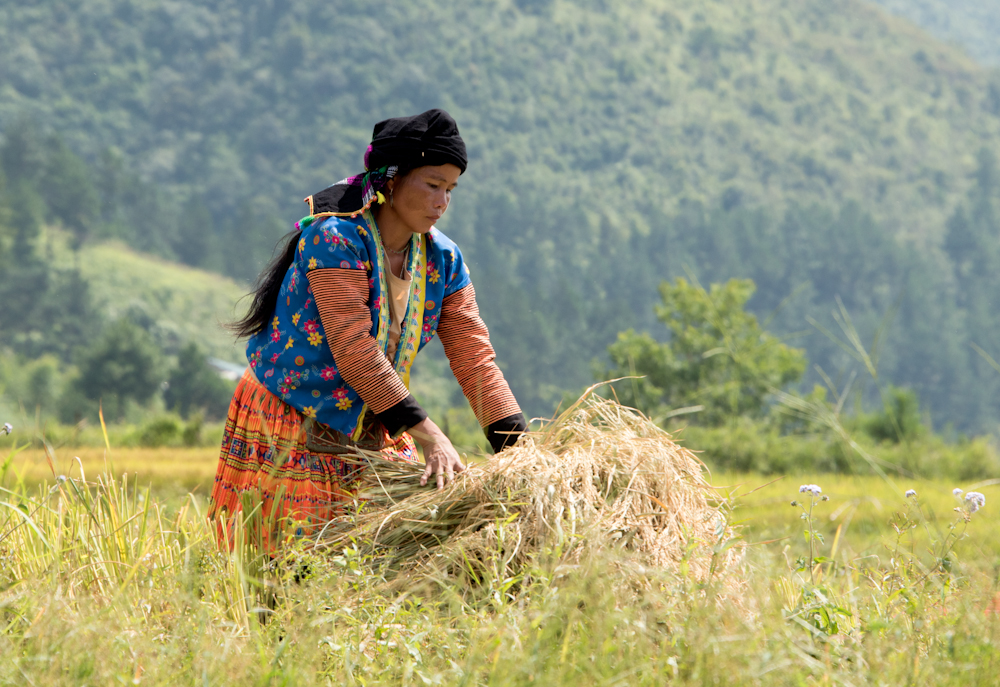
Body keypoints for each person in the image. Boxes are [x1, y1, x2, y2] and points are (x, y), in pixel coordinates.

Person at [209, 109, 527, 542]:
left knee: (386, 561)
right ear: (392, 180)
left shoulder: (444, 260)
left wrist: (522, 455)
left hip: (378, 421)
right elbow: (354, 347)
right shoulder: (335, 239)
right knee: (288, 570)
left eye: (451, 189)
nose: (442, 202)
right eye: (433, 185)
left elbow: (475, 360)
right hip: (293, 417)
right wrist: (431, 436)